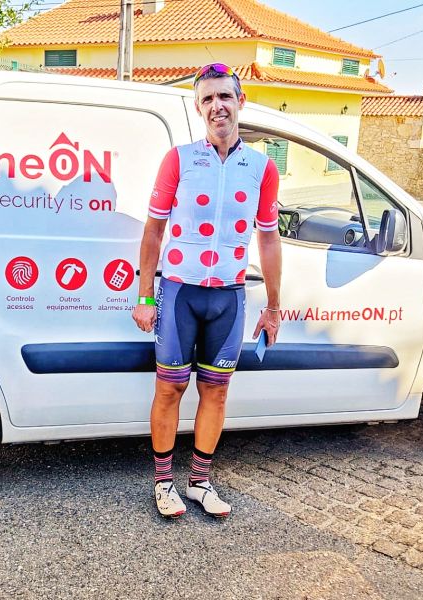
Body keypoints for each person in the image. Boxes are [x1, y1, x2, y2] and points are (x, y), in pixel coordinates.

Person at [132, 63, 282, 518]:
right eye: (208, 99)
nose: (218, 105)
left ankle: (199, 482)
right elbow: (154, 232)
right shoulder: (180, 159)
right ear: (199, 109)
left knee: (216, 391)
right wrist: (144, 295)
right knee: (170, 389)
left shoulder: (261, 166)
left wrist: (273, 307)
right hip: (180, 291)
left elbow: (269, 237)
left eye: (225, 96)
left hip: (230, 297)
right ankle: (163, 484)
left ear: (240, 102)